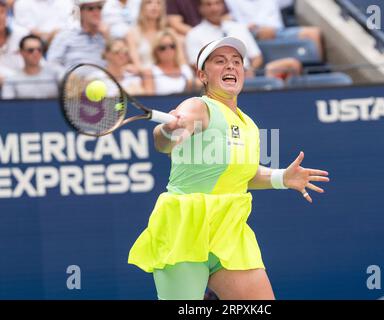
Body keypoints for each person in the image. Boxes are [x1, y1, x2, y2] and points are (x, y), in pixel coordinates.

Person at [128, 36, 330, 300]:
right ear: (202, 74)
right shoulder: (198, 106)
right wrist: (170, 128)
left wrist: (281, 177)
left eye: (237, 62)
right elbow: (163, 141)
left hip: (229, 230)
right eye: (220, 61)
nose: (231, 67)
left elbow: (242, 175)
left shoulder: (250, 125)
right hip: (185, 228)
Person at [185, 0, 301, 79]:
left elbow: (256, 57)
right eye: (208, 4)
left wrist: (250, 70)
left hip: (246, 77)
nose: (214, 8)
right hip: (217, 80)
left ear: (223, 5)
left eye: (217, 3)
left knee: (292, 64)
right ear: (200, 8)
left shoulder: (238, 27)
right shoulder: (193, 34)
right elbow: (197, 66)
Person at [224, 0, 323, 60]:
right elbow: (222, 19)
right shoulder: (230, 2)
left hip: (279, 33)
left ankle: (318, 71)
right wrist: (250, 29)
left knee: (313, 34)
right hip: (251, 35)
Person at [47, 0, 107, 70]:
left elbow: (118, 61)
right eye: (90, 8)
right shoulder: (65, 36)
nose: (96, 12)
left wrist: (107, 36)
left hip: (104, 78)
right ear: (81, 12)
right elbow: (52, 64)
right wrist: (67, 76)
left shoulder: (106, 35)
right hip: (74, 78)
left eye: (99, 8)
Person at [2, 34, 61, 99]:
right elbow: (7, 106)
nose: (36, 53)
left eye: (39, 50)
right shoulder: (11, 80)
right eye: (30, 50)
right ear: (21, 52)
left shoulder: (55, 73)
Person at [147, 29, 194, 95]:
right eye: (162, 48)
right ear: (155, 50)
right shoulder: (150, 71)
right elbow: (149, 100)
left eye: (172, 46)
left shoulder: (185, 69)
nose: (168, 50)